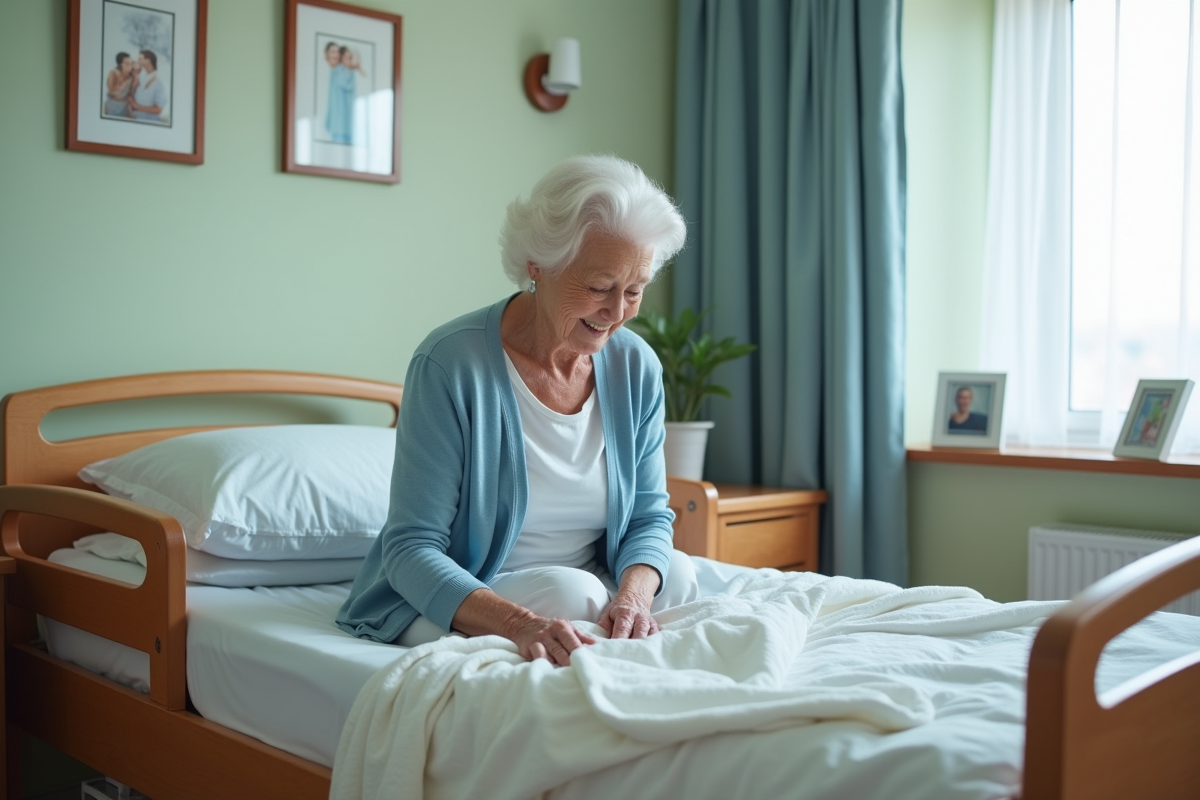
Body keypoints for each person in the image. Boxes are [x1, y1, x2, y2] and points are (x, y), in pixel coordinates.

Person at [337, 155, 700, 666]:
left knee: (677, 575)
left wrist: (634, 598)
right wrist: (519, 623)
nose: (617, 313)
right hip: (478, 591)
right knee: (570, 594)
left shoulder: (635, 365)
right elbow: (411, 550)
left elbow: (647, 517)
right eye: (599, 288)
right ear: (539, 265)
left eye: (634, 291)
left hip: (585, 582)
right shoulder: (450, 364)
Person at [325, 44, 356, 144]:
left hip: (346, 124)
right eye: (347, 57)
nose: (349, 61)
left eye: (350, 58)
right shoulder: (338, 73)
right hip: (339, 124)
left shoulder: (347, 72)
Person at [127, 50, 167, 123]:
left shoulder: (159, 80)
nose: (137, 61)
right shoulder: (141, 77)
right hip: (137, 119)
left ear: (148, 61)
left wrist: (137, 106)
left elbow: (159, 109)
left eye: (140, 59)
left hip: (151, 122)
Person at [103, 52, 137, 118]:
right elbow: (111, 91)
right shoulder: (113, 73)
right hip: (113, 105)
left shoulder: (133, 76)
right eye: (127, 64)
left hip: (125, 107)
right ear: (121, 64)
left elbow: (132, 93)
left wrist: (135, 77)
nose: (130, 66)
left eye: (131, 63)